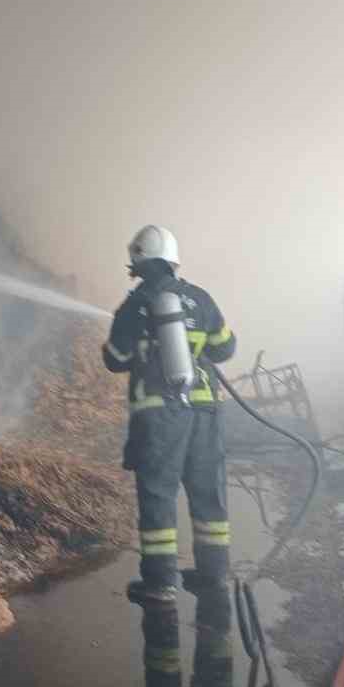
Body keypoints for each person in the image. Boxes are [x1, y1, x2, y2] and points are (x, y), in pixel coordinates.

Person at [102, 225, 237, 608]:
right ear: (173, 259)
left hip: (160, 416)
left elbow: (116, 359)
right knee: (208, 491)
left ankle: (160, 583)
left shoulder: (135, 305)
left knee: (159, 493)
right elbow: (226, 348)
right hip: (205, 412)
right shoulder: (201, 298)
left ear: (140, 261)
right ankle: (213, 576)